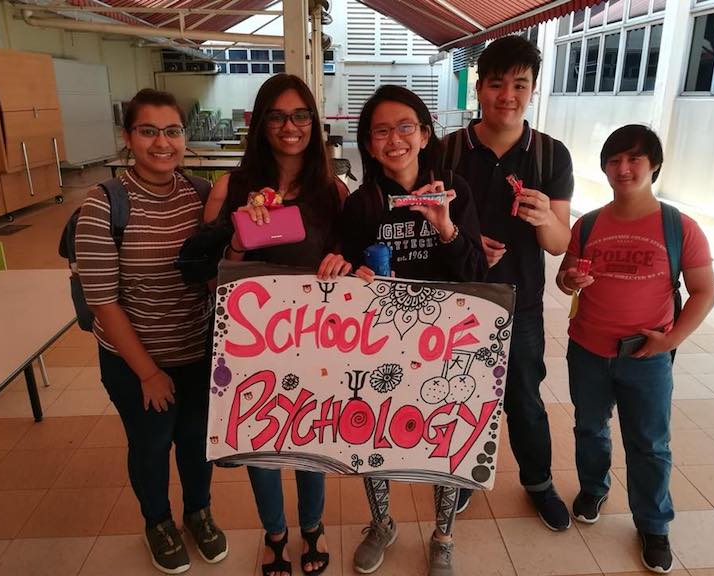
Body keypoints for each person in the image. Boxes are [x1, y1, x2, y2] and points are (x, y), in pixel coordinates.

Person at [322, 84, 486, 576]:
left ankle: (443, 536)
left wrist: (446, 227)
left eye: (405, 127)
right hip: (380, 344)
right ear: (369, 145)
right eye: (381, 131)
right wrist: (349, 273)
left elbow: (475, 274)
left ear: (425, 133)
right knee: (372, 435)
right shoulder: (362, 204)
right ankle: (383, 522)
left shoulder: (454, 189)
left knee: (446, 438)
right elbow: (347, 280)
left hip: (446, 342)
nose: (395, 139)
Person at [75, 88, 228, 574]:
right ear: (128, 138)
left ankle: (198, 512)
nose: (162, 142)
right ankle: (158, 521)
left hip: (198, 350)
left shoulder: (201, 195)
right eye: (148, 131)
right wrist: (147, 373)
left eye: (172, 131)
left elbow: (218, 270)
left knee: (197, 439)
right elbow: (102, 299)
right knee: (151, 443)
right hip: (134, 359)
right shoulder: (104, 205)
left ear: (185, 138)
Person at [203, 73, 348, 576]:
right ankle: (275, 533)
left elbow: (350, 267)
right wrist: (241, 236)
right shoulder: (232, 188)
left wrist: (343, 263)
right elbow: (208, 276)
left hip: (314, 340)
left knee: (310, 437)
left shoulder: (333, 191)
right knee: (260, 441)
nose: (291, 126)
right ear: (261, 123)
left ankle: (312, 527)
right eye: (278, 116)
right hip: (249, 344)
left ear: (314, 121)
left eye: (301, 114)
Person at [556, 124, 714, 573]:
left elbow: (704, 292)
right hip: (587, 349)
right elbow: (565, 277)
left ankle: (653, 523)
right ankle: (594, 487)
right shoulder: (587, 224)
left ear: (654, 165)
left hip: (646, 355)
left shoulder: (679, 227)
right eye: (614, 160)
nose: (622, 169)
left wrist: (671, 341)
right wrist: (569, 279)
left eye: (634, 159)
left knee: (648, 444)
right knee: (589, 427)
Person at [443, 35, 574, 530]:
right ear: (479, 89)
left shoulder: (549, 155)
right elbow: (425, 224)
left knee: (523, 394)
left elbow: (559, 243)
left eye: (520, 84)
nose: (508, 95)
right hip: (456, 300)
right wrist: (467, 243)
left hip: (521, 304)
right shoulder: (449, 149)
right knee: (456, 393)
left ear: (533, 89)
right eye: (497, 84)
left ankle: (538, 481)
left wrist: (542, 217)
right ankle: (459, 479)